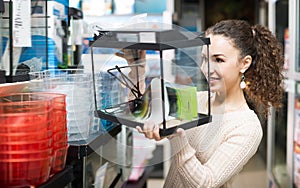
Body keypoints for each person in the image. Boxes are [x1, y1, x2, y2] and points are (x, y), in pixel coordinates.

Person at [117, 19, 284, 187]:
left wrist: (176, 135)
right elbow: (139, 111)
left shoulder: (247, 127)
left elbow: (205, 182)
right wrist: (136, 69)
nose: (207, 69)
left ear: (244, 63)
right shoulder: (198, 99)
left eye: (218, 60)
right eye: (205, 59)